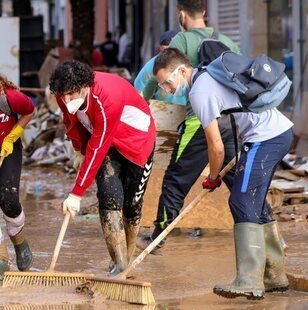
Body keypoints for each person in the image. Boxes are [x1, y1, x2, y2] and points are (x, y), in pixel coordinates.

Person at [153, 48, 294, 299]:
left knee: (241, 200)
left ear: (182, 71)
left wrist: (213, 177)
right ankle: (274, 276)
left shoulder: (199, 91)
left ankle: (249, 279)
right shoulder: (208, 78)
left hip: (266, 138)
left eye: (167, 81)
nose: (167, 89)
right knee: (255, 204)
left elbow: (216, 146)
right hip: (273, 135)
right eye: (161, 85)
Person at [136, 0, 239, 255]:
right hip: (232, 120)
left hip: (199, 121)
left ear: (181, 14)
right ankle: (265, 231)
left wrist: (141, 103)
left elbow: (155, 71)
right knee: (238, 182)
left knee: (174, 181)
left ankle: (158, 238)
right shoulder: (228, 40)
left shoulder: (181, 41)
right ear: (204, 11)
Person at [49, 60, 156, 275]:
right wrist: (78, 149)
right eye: (63, 95)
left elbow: (98, 147)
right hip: (105, 141)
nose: (67, 100)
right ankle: (119, 265)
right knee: (109, 199)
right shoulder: (63, 95)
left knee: (132, 205)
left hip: (136, 143)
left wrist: (77, 194)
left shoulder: (107, 97)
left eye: (72, 94)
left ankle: (128, 252)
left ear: (85, 87)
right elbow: (71, 122)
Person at [0, 75, 35, 277]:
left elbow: (29, 111)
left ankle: (18, 239)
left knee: (9, 201)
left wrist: (12, 137)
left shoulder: (9, 98)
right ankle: (2, 257)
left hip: (8, 147)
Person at [134, 29, 186, 105]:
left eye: (170, 52)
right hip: (164, 111)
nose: (166, 57)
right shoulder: (151, 67)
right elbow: (138, 95)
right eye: (163, 52)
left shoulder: (188, 65)